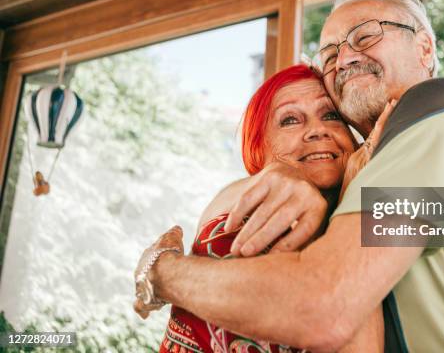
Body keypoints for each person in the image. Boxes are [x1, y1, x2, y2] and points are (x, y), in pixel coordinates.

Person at [135, 0, 444, 352]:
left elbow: (326, 306)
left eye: (365, 36)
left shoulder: (439, 105)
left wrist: (160, 270)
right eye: (330, 53)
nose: (343, 59)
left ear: (425, 48)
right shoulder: (293, 206)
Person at [136, 64, 392, 352]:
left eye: (331, 115)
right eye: (290, 120)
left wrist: (356, 195)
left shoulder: (375, 220)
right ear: (259, 150)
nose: (317, 130)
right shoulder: (241, 214)